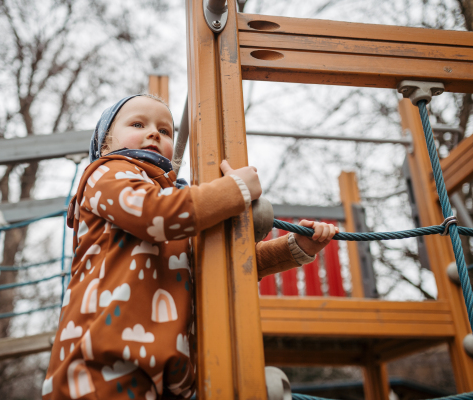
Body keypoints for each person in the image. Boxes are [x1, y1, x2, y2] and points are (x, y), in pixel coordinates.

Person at [42, 94, 338, 400]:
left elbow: (219, 263)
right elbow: (153, 213)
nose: (154, 132)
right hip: (101, 366)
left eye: (166, 130)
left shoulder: (179, 214)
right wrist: (233, 190)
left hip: (162, 374)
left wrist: (295, 247)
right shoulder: (108, 173)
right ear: (105, 144)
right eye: (138, 124)